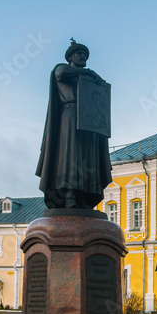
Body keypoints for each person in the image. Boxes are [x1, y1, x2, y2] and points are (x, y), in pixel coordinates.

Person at [36, 39, 113, 209]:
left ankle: (84, 196)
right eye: (79, 53)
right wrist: (89, 73)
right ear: (70, 57)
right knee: (71, 156)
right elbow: (60, 73)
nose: (83, 56)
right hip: (69, 117)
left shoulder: (89, 80)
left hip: (90, 122)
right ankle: (69, 196)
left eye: (84, 54)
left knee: (88, 158)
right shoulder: (63, 69)